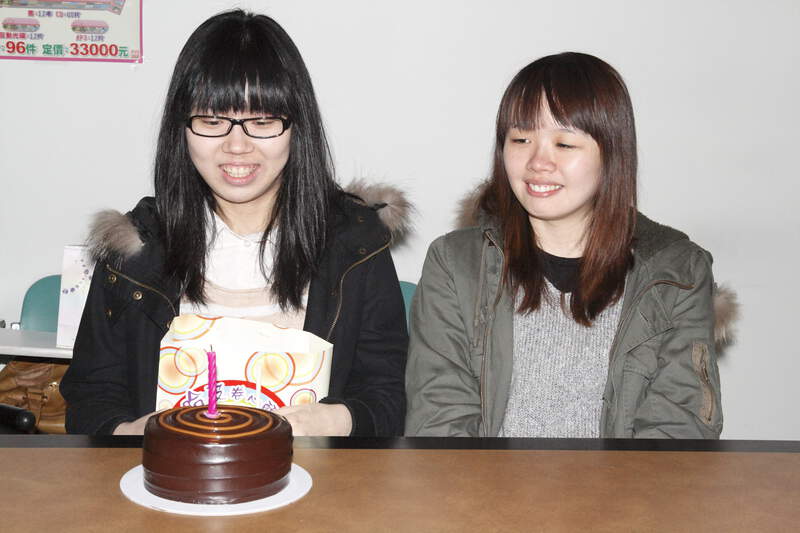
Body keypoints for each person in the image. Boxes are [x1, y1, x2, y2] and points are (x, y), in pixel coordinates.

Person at [61, 10, 409, 437]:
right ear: (181, 128)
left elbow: (386, 397)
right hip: (165, 474)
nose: (237, 146)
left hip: (314, 475)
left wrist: (333, 420)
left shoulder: (355, 242)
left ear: (296, 127)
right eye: (212, 121)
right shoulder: (135, 247)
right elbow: (90, 396)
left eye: (262, 122)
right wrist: (134, 433)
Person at [405, 52, 729, 439]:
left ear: (612, 153)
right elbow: (439, 423)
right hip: (483, 481)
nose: (538, 162)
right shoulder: (457, 264)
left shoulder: (676, 271)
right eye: (521, 139)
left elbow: (677, 430)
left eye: (564, 143)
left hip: (628, 481)